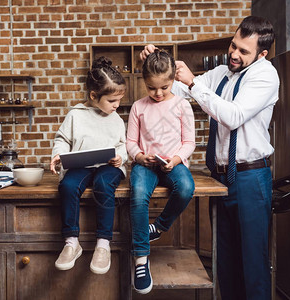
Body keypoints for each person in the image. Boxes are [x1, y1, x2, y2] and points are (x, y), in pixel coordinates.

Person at [141, 16, 279, 300]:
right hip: (220, 177)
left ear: (262, 54)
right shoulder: (221, 74)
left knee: (253, 264)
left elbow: (233, 116)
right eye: (233, 45)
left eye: (244, 51)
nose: (234, 54)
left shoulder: (265, 75)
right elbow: (176, 90)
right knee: (225, 263)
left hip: (251, 178)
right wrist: (159, 65)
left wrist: (193, 83)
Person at [126, 49, 196, 294]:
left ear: (173, 81)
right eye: (151, 88)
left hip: (173, 163)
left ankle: (159, 227)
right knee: (137, 194)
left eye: (164, 87)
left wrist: (176, 159)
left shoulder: (182, 105)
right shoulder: (138, 107)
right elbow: (130, 143)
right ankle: (141, 260)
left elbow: (189, 142)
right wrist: (139, 156)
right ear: (144, 83)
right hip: (146, 164)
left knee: (186, 187)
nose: (157, 93)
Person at [50, 56, 128, 275]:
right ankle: (71, 242)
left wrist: (120, 157)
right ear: (94, 96)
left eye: (119, 100)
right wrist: (58, 155)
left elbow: (124, 146)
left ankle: (103, 244)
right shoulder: (76, 115)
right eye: (112, 101)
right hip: (81, 165)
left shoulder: (115, 119)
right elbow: (62, 140)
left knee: (104, 185)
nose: (117, 105)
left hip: (108, 166)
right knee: (67, 186)